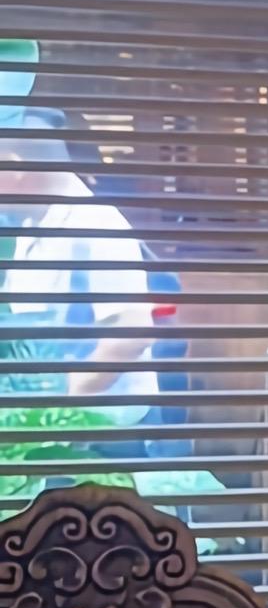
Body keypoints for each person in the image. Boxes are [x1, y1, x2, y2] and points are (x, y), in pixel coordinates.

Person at [0, 108, 160, 465]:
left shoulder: (95, 224)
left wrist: (62, 407)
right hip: (55, 431)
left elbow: (132, 333)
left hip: (109, 438)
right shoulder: (30, 227)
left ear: (15, 166)